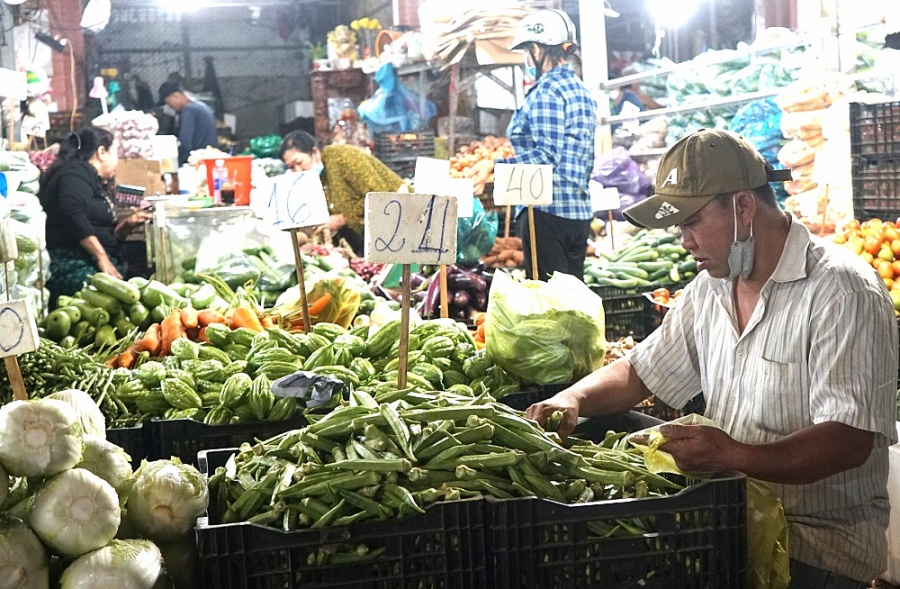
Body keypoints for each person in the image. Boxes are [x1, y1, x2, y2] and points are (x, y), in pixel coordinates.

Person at [526, 128, 898, 588]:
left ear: (742, 207)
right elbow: (641, 370)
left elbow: (849, 440)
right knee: (608, 442)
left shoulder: (842, 292)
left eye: (691, 222)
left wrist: (734, 455)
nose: (684, 240)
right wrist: (573, 399)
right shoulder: (711, 288)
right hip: (730, 518)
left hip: (815, 546)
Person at [468, 9, 596, 281]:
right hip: (579, 213)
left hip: (547, 213)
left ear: (538, 49)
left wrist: (493, 164)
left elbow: (546, 156)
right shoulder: (582, 90)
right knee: (574, 300)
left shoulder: (548, 91)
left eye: (527, 50)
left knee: (549, 302)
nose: (526, 58)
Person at [38, 127, 151, 304]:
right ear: (102, 152)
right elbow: (71, 212)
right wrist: (102, 258)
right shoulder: (75, 173)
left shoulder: (89, 178)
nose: (118, 162)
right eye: (116, 153)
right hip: (71, 264)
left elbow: (98, 231)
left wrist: (127, 225)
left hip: (90, 260)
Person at [278, 130, 405, 256]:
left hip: (400, 220)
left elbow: (381, 197)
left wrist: (344, 218)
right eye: (291, 167)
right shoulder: (309, 181)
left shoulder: (344, 157)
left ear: (315, 152)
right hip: (365, 238)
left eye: (299, 162)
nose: (298, 170)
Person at [158, 81, 218, 165]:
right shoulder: (200, 105)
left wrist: (175, 163)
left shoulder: (189, 110)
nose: (170, 106)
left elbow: (185, 144)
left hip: (199, 161)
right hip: (210, 157)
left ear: (176, 95)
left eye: (168, 102)